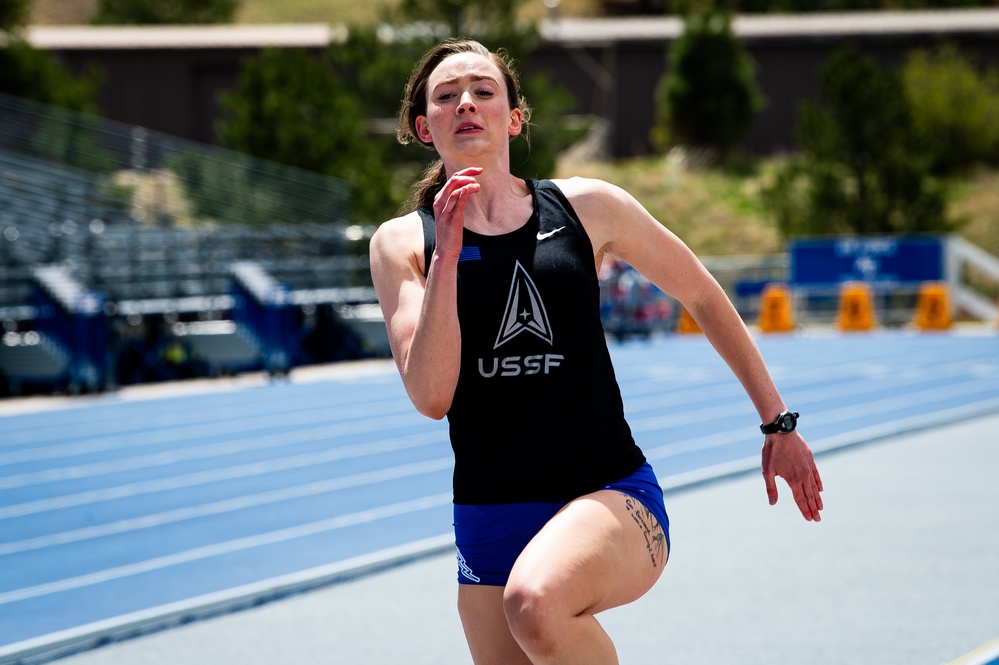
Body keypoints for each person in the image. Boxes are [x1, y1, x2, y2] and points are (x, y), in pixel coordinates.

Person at [369, 38, 824, 665]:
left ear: (514, 117)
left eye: (483, 90)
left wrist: (778, 422)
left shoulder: (587, 207)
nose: (466, 103)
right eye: (447, 96)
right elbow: (431, 395)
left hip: (609, 493)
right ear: (426, 126)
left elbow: (702, 294)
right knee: (526, 616)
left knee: (536, 603)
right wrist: (447, 255)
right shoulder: (403, 245)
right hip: (489, 511)